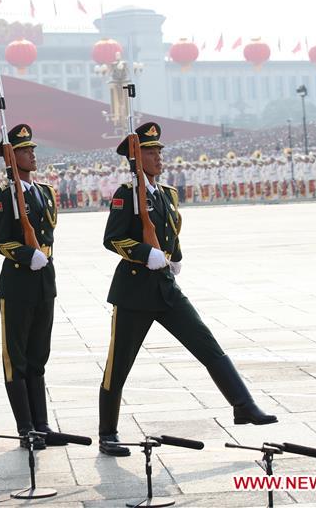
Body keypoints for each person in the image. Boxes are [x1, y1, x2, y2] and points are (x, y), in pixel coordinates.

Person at [98, 122, 277, 458]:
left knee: (206, 343)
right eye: (150, 152)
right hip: (134, 292)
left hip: (165, 288)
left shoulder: (166, 193)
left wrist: (173, 256)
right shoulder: (127, 193)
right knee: (118, 365)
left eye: (159, 151)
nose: (158, 157)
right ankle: (107, 433)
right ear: (136, 159)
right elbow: (113, 238)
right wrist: (144, 253)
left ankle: (243, 405)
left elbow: (170, 231)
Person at [0, 124, 62, 450]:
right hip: (18, 281)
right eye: (25, 150)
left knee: (38, 356)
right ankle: (25, 428)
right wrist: (25, 254)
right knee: (16, 358)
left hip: (44, 280)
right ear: (11, 156)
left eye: (32, 148)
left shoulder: (43, 192)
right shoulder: (4, 196)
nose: (33, 153)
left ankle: (42, 425)